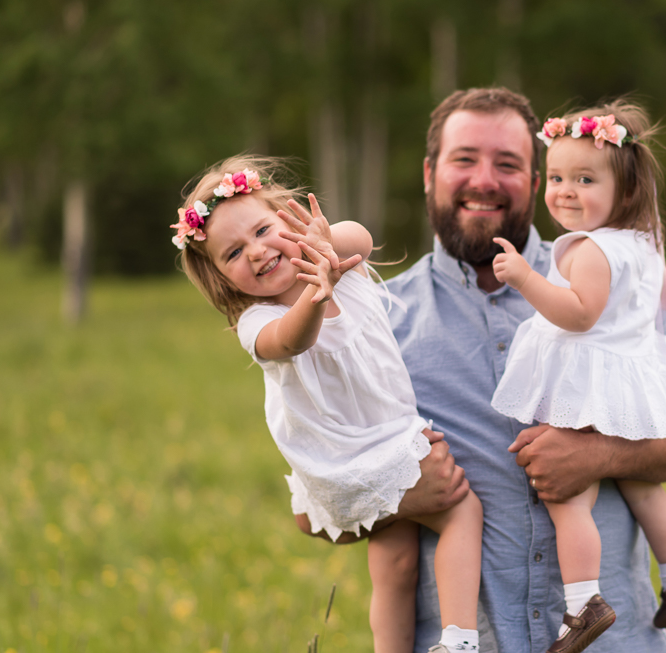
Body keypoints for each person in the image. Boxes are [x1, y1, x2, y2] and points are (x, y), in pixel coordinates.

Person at [386, 88, 666, 653]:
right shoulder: (382, 319)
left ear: (536, 181)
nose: (485, 179)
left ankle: (598, 601)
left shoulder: (605, 274)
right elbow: (312, 502)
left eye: (508, 164)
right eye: (464, 159)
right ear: (429, 173)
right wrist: (397, 494)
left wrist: (602, 455)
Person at [171, 156, 484, 653]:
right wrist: (315, 296)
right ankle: (462, 639)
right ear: (222, 279)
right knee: (462, 511)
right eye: (233, 253)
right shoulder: (259, 321)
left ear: (290, 216)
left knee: (395, 563)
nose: (255, 252)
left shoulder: (340, 264)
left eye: (263, 229)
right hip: (349, 459)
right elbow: (290, 342)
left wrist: (323, 248)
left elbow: (358, 236)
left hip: (382, 446)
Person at [489, 101, 666, 652]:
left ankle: (583, 605)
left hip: (589, 386)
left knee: (570, 500)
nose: (566, 191)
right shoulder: (643, 244)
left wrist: (524, 278)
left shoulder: (587, 250)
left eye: (585, 180)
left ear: (625, 192)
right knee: (644, 485)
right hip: (633, 379)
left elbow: (578, 313)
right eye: (560, 177)